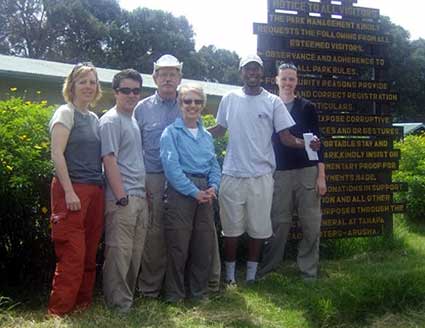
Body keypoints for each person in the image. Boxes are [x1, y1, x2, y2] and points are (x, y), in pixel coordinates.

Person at [209, 54, 319, 284]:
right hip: (231, 174)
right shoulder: (229, 98)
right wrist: (192, 131)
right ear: (241, 72)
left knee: (259, 229)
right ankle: (229, 278)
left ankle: (250, 277)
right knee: (230, 231)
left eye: (256, 69)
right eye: (248, 68)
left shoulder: (273, 102)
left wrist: (308, 144)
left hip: (262, 176)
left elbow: (287, 138)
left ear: (262, 73)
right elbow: (219, 129)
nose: (252, 72)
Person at [134, 54, 221, 296]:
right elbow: (132, 145)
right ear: (155, 77)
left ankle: (206, 286)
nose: (168, 78)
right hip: (154, 177)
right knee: (156, 234)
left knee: (200, 236)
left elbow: (205, 154)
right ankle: (151, 289)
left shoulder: (188, 105)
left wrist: (210, 185)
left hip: (190, 181)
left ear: (179, 77)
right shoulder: (142, 109)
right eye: (163, 74)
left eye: (173, 74)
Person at [258, 63, 326, 280]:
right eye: (284, 78)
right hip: (279, 173)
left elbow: (317, 144)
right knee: (279, 222)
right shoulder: (268, 106)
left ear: (297, 82)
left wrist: (321, 176)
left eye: (292, 79)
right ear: (276, 80)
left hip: (307, 172)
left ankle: (308, 272)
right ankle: (269, 269)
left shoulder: (307, 107)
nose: (288, 83)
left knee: (311, 223)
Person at [48, 62, 104, 316]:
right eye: (83, 81)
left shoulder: (94, 119)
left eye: (92, 82)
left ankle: (82, 306)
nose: (88, 87)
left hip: (95, 190)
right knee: (72, 253)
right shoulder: (65, 112)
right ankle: (59, 312)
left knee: (89, 252)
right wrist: (69, 191)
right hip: (71, 191)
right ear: (71, 86)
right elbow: (57, 154)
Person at [160, 84, 221, 302]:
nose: (192, 106)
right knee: (178, 246)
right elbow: (171, 168)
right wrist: (194, 192)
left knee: (203, 246)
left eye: (197, 101)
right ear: (180, 104)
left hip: (206, 192)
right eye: (187, 101)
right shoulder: (170, 133)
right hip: (181, 192)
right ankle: (174, 295)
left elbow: (214, 164)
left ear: (202, 105)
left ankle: (199, 293)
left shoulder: (206, 135)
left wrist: (214, 186)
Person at [99, 69, 148, 312]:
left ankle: (126, 299)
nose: (131, 95)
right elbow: (109, 160)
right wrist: (121, 197)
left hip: (139, 196)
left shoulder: (133, 119)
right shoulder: (111, 120)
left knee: (134, 254)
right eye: (126, 90)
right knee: (119, 253)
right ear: (116, 92)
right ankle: (118, 305)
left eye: (136, 90)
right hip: (122, 199)